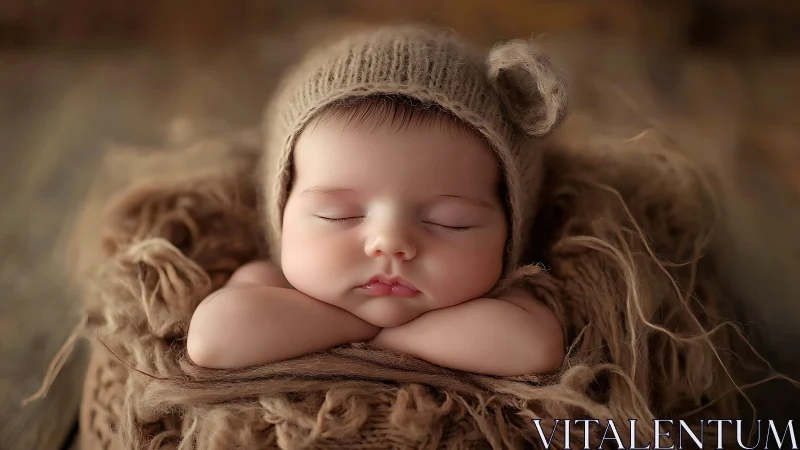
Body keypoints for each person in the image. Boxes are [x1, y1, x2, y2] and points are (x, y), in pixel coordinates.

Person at [187, 24, 569, 377]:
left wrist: (380, 337)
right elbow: (212, 339)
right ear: (282, 212)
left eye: (450, 221)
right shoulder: (269, 283)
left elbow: (535, 348)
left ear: (510, 232)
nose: (389, 243)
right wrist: (367, 327)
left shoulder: (505, 300)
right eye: (338, 214)